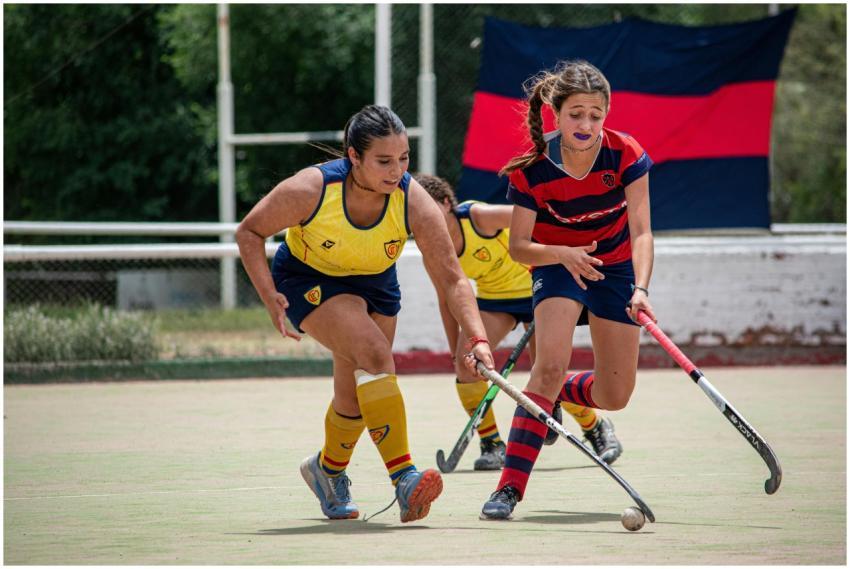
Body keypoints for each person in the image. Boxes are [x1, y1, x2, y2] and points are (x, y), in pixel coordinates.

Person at [236, 105, 495, 524]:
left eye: (404, 158)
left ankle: (327, 470)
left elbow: (453, 279)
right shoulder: (310, 189)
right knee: (376, 356)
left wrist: (478, 338)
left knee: (356, 392)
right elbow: (249, 230)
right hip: (307, 279)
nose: (397, 171)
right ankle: (405, 478)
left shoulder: (413, 199)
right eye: (384, 161)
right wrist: (269, 295)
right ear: (353, 156)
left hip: (376, 284)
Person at [477, 60, 657, 520]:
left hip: (614, 269)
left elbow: (641, 231)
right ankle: (509, 490)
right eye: (576, 113)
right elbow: (519, 247)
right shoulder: (533, 169)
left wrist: (640, 288)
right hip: (558, 266)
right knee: (549, 365)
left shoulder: (625, 154)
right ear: (557, 115)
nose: (586, 125)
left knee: (616, 395)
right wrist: (561, 254)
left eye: (596, 114)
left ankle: (552, 395)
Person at [416, 174, 624, 471]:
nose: (421, 217)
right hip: (496, 302)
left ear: (447, 203)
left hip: (536, 290)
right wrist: (456, 351)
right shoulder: (431, 248)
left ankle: (596, 428)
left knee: (547, 373)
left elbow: (534, 220)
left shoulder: (479, 218)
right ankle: (492, 444)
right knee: (466, 364)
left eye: (427, 207)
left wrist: (553, 265)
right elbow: (446, 298)